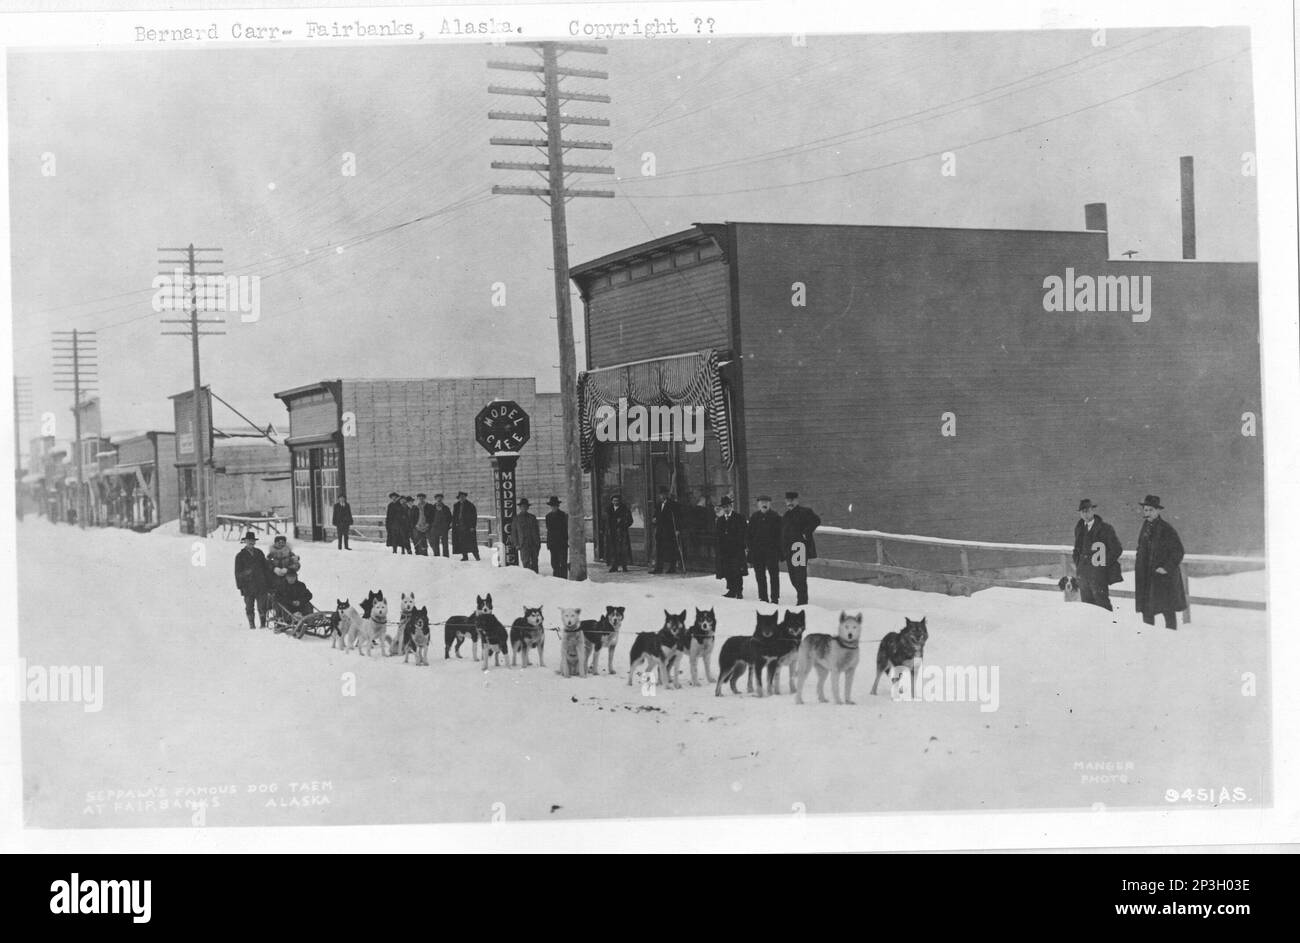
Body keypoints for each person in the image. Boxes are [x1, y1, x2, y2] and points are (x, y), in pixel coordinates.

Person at [1135, 494, 1186, 630]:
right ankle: (1149, 640)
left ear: (1158, 511)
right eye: (1145, 510)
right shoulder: (1145, 527)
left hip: (1163, 578)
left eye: (1151, 510)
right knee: (1147, 611)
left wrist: (1166, 567)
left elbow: (1178, 551)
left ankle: (1171, 641)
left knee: (1167, 610)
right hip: (1147, 577)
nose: (1147, 513)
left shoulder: (1166, 529)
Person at [1072, 499, 1123, 612]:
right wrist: (1078, 564)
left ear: (1093, 511)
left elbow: (1117, 549)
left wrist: (1102, 564)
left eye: (1087, 510)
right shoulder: (1079, 528)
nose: (1085, 514)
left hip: (1098, 575)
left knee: (1102, 604)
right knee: (1087, 605)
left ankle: (1109, 628)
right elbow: (1077, 549)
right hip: (1083, 575)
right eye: (1082, 511)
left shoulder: (1105, 528)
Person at [781, 491, 821, 606]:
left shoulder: (805, 512)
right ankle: (801, 597)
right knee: (793, 577)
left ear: (797, 500)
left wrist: (806, 532)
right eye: (788, 501)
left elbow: (816, 520)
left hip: (799, 548)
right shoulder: (786, 516)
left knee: (800, 576)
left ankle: (802, 601)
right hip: (789, 550)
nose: (790, 503)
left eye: (792, 500)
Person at [747, 494, 783, 604]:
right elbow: (749, 535)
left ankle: (774, 598)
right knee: (760, 575)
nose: (764, 504)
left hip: (772, 552)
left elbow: (780, 536)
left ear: (770, 504)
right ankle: (763, 597)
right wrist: (750, 550)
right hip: (758, 552)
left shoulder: (776, 517)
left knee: (774, 576)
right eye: (762, 502)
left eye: (766, 502)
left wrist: (779, 551)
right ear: (758, 504)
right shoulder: (754, 517)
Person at [234, 530, 272, 630]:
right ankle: (252, 625)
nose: (251, 542)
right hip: (248, 586)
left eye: (252, 540)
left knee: (262, 606)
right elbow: (237, 573)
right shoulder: (240, 556)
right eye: (249, 540)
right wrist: (241, 585)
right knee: (249, 606)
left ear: (255, 542)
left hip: (261, 585)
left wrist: (268, 583)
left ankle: (263, 625)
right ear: (245, 541)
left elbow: (266, 569)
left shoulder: (259, 553)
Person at [715, 496, 748, 598]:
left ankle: (739, 591)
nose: (726, 509)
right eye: (724, 507)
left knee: (737, 571)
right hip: (725, 551)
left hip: (736, 550)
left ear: (731, 506)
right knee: (727, 570)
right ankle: (731, 590)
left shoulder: (739, 518)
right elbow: (718, 536)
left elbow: (744, 533)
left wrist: (743, 546)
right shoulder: (720, 520)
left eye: (728, 506)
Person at [651, 486, 682, 574]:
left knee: (671, 549)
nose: (662, 496)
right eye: (660, 494)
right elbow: (655, 515)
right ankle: (658, 568)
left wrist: (677, 529)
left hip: (670, 530)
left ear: (667, 494)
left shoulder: (673, 504)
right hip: (660, 530)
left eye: (664, 494)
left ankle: (672, 568)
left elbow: (678, 518)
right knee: (659, 549)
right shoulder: (658, 504)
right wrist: (654, 519)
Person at [512, 498, 542, 572]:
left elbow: (537, 531)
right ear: (520, 508)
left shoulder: (532, 517)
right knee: (526, 563)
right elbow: (514, 533)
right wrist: (516, 544)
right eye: (522, 506)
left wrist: (538, 543)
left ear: (528, 507)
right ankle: (528, 581)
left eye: (525, 506)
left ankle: (536, 580)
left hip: (533, 543)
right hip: (523, 544)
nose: (524, 508)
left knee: (535, 562)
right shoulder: (516, 518)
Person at [605, 494, 632, 572]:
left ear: (619, 501)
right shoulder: (609, 510)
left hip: (621, 532)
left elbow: (630, 520)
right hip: (612, 532)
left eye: (617, 500)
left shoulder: (625, 509)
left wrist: (623, 525)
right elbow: (606, 521)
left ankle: (624, 566)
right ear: (611, 501)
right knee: (613, 549)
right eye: (614, 501)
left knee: (623, 549)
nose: (615, 502)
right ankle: (614, 566)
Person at [544, 495, 569, 579]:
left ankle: (564, 579)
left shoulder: (563, 515)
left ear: (558, 506)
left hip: (562, 543)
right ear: (550, 506)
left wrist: (567, 541)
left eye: (555, 505)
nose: (553, 507)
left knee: (563, 562)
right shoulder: (548, 516)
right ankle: (556, 580)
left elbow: (566, 529)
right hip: (553, 543)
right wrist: (549, 543)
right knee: (554, 563)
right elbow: (549, 531)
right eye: (552, 505)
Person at [452, 491, 480, 561]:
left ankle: (477, 556)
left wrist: (473, 527)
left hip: (468, 527)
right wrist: (454, 524)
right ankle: (465, 556)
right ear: (459, 498)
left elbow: (474, 517)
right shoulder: (456, 505)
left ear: (465, 497)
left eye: (463, 497)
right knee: (461, 542)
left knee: (472, 542)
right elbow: (454, 516)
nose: (462, 498)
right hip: (459, 526)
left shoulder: (470, 505)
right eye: (460, 497)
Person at [430, 493, 452, 557]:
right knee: (435, 543)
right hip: (435, 528)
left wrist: (448, 526)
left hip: (443, 528)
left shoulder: (446, 508)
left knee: (445, 543)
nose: (439, 499)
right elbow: (429, 517)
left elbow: (450, 518)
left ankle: (446, 555)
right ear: (435, 499)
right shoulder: (432, 507)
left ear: (442, 499)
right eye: (437, 498)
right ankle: (436, 555)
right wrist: (431, 525)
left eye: (440, 498)